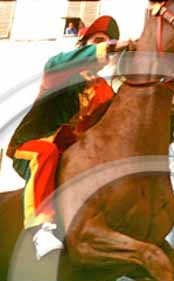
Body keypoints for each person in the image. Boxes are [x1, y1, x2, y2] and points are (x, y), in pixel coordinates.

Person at [7, 15, 135, 259]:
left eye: (108, 42)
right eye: (98, 41)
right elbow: (57, 63)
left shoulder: (104, 91)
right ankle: (40, 228)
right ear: (82, 45)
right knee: (46, 153)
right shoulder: (60, 71)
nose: (104, 47)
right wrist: (112, 46)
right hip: (33, 145)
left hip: (69, 157)